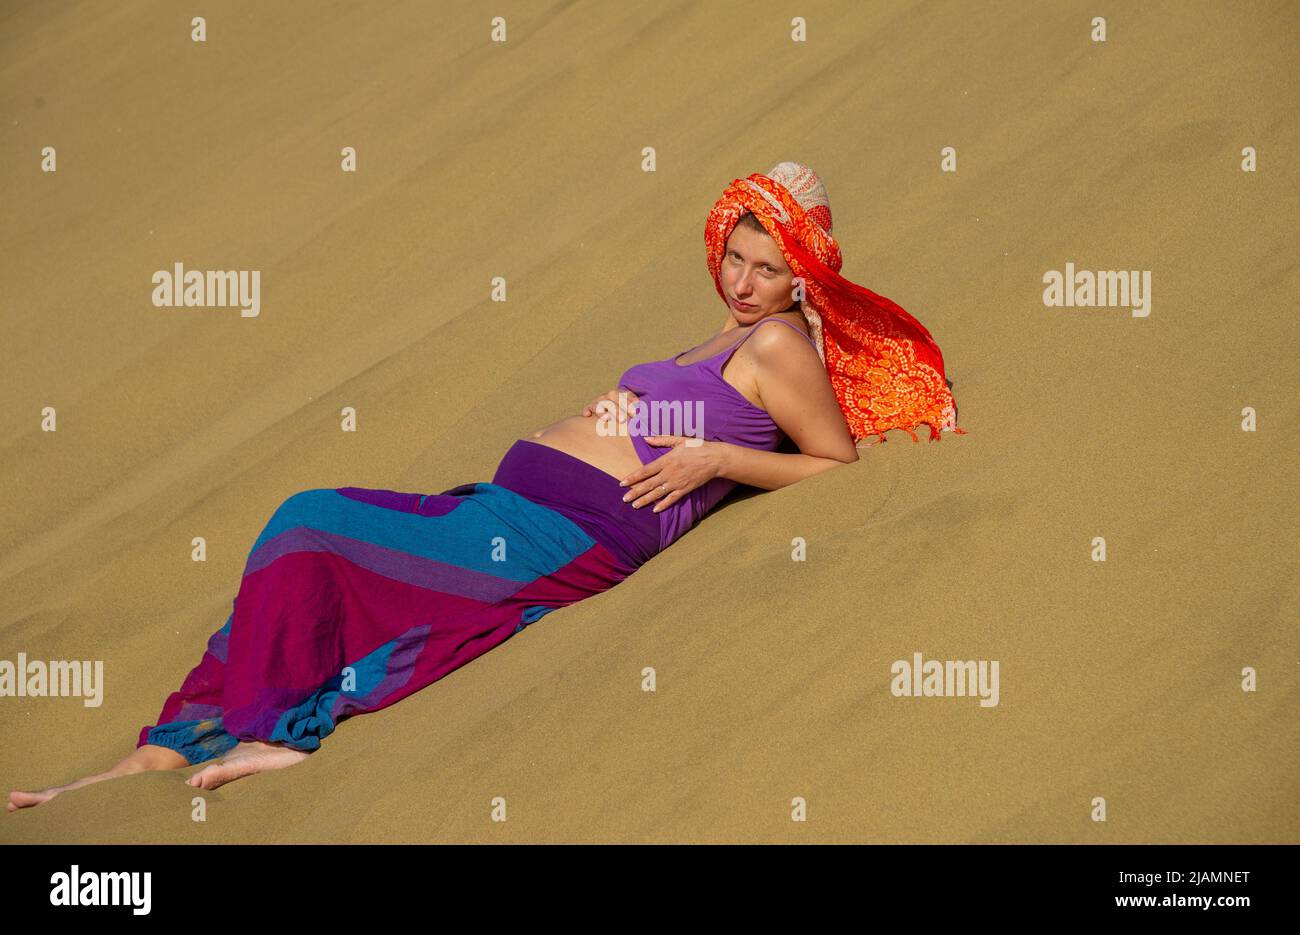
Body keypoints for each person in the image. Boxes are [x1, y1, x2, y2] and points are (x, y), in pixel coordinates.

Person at [7, 161, 960, 811]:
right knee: (311, 563)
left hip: (568, 532)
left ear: (802, 281)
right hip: (513, 506)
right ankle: (166, 746)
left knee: (309, 526)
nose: (745, 280)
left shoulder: (780, 343)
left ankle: (288, 731)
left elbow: (836, 463)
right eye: (737, 258)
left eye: (769, 268)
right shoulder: (723, 333)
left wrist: (718, 461)